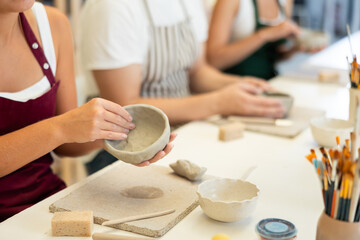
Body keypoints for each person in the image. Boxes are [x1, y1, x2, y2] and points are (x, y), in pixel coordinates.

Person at [0, 0, 175, 222]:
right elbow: (60, 131)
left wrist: (114, 138)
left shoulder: (53, 24)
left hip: (44, 202)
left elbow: (65, 145)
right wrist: (61, 127)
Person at [79, 0, 286, 172]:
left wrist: (239, 85)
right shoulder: (112, 7)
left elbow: (197, 72)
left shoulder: (187, 3)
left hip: (180, 134)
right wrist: (218, 102)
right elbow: (126, 105)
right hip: (127, 151)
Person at [207, 0, 300, 80]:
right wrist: (264, 35)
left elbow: (270, 56)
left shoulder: (285, 2)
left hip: (268, 83)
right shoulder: (231, 2)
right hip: (233, 86)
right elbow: (214, 60)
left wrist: (293, 50)